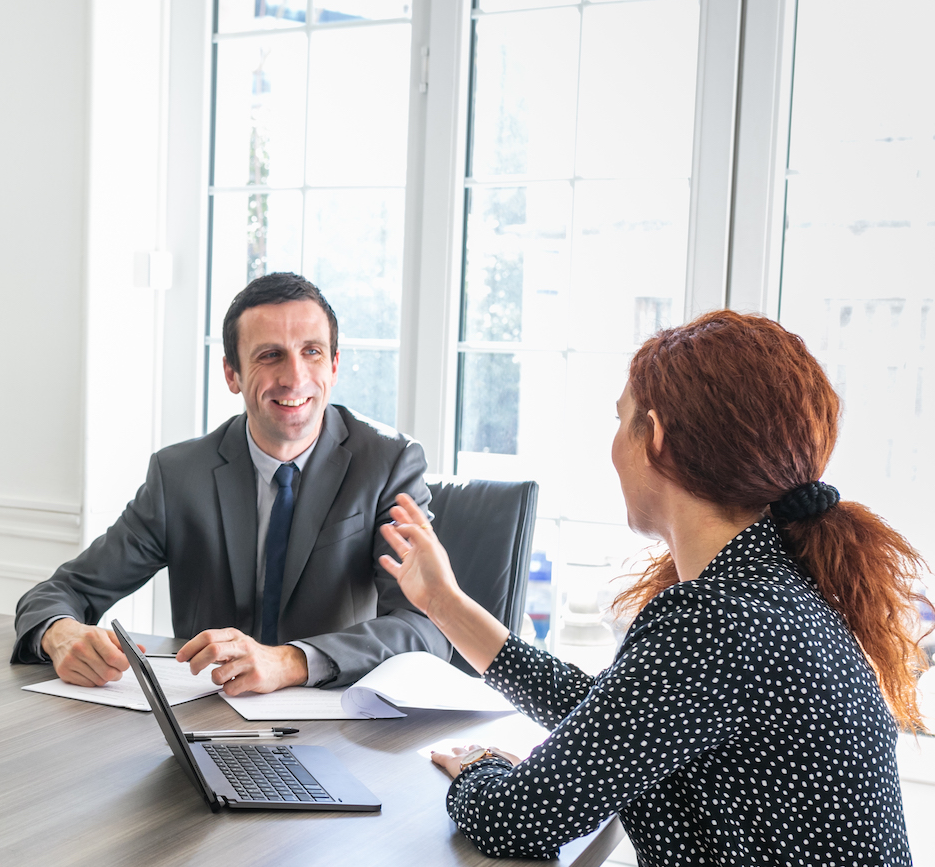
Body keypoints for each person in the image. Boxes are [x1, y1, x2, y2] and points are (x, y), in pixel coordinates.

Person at [383, 310, 919, 864]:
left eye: (621, 419)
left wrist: (479, 764)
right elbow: (623, 717)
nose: (613, 446)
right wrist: (443, 603)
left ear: (656, 437)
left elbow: (514, 821)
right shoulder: (775, 589)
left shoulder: (719, 619)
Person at [13, 273, 448, 693]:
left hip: (339, 718)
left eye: (312, 352)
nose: (294, 377)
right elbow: (63, 591)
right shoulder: (180, 475)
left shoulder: (389, 463)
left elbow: (424, 627)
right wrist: (59, 632)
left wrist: (292, 661)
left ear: (334, 365)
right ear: (231, 374)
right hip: (207, 720)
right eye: (270, 355)